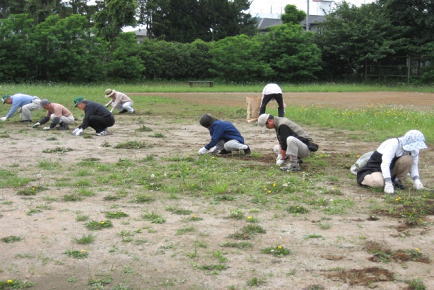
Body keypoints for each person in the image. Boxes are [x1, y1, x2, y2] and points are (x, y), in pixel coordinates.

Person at [356, 130, 427, 194]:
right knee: (378, 182)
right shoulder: (393, 144)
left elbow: (414, 165)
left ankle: (397, 181)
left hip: (390, 171)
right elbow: (385, 164)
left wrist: (417, 181)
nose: (414, 148)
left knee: (408, 159)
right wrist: (388, 182)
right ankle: (367, 179)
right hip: (375, 169)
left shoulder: (414, 149)